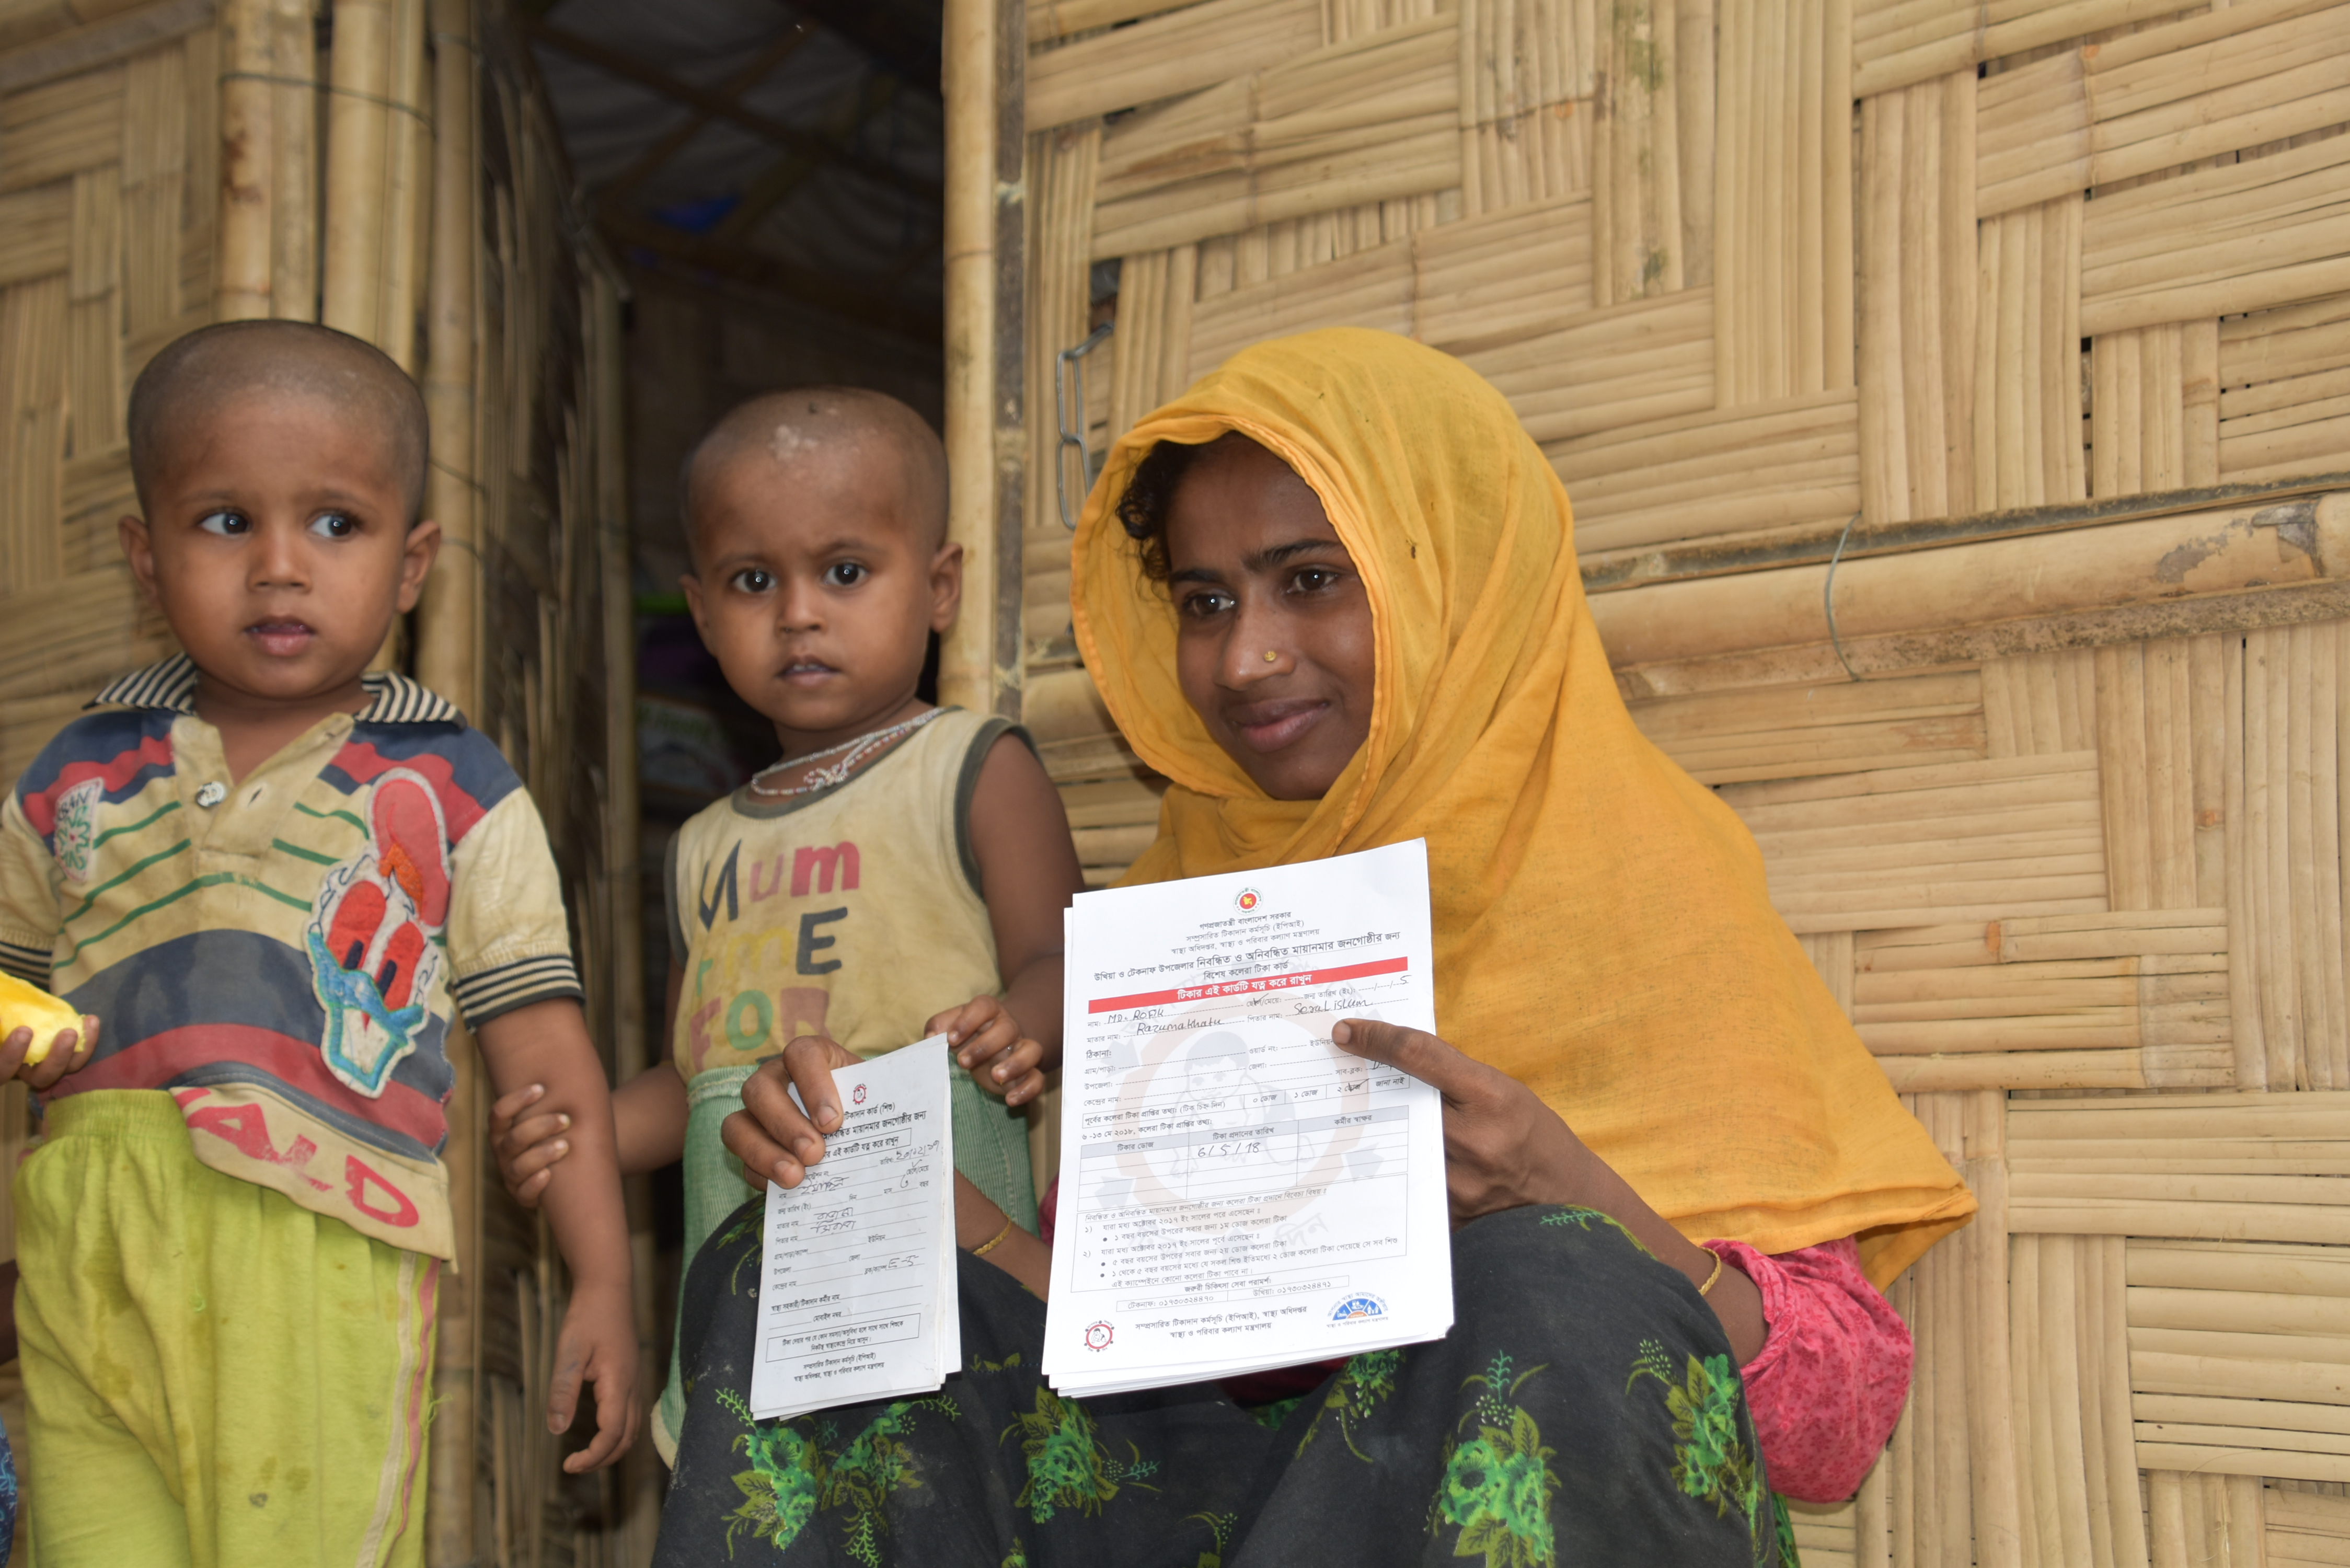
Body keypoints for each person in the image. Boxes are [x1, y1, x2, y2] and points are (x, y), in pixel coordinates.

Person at [652, 330, 1976, 1566]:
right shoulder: (1183, 904)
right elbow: (1145, 1350)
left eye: (1311, 581)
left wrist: (1570, 1189)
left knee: (1544, 1271)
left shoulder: (1645, 888)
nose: (1245, 659)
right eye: (1205, 599)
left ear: (1447, 573)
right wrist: (901, 1208)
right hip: (1211, 1512)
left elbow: (1829, 1425)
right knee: (787, 1269)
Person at [0, 320, 639, 1566]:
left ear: (413, 565)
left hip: (314, 1254)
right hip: (86, 1247)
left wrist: (604, 1282)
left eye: (335, 525)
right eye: (226, 522)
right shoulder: (74, 772)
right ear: (146, 553)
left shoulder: (458, 787)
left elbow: (549, 1071)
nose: (281, 567)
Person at [489, 388, 1086, 1463]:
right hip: (753, 1277)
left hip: (948, 1243)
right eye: (754, 581)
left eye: (845, 572)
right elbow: (699, 1074)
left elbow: (1064, 957)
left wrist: (1022, 1020)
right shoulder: (705, 844)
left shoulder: (971, 766)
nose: (799, 612)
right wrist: (585, 1137)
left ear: (939, 585)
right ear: (703, 610)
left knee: (953, 1492)